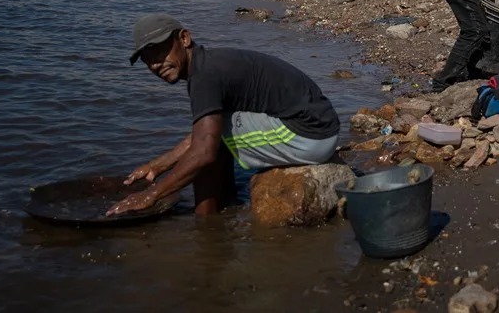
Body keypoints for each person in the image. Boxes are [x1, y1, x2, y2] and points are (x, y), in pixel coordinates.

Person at [106, 14, 341, 216]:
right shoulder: (209, 64)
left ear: (184, 38)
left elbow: (204, 151)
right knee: (211, 133)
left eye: (159, 51)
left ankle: (207, 224)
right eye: (148, 60)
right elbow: (209, 129)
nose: (156, 64)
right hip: (320, 127)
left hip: (311, 136)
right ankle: (226, 205)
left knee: (208, 147)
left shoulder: (204, 77)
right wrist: (157, 165)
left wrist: (150, 195)